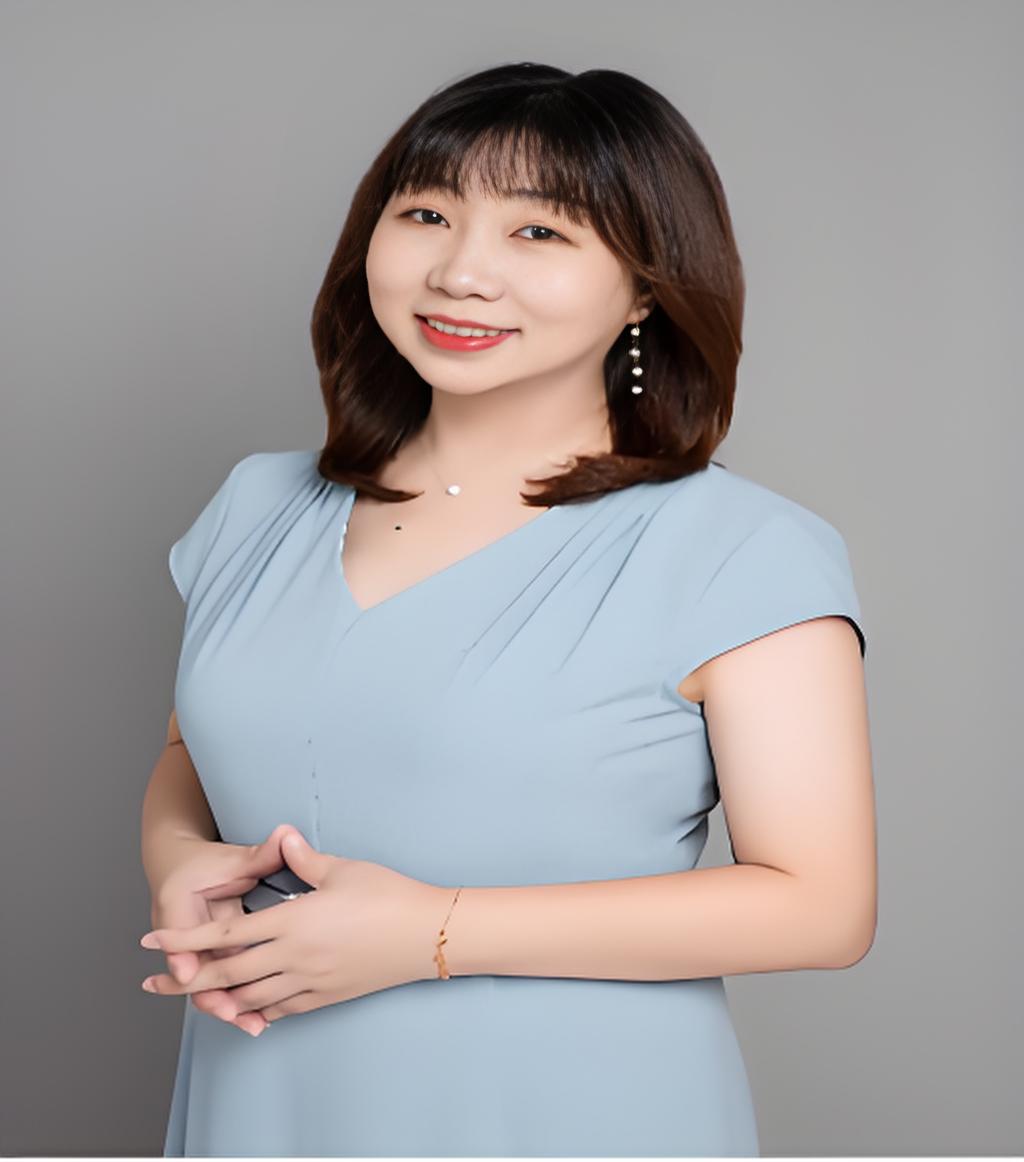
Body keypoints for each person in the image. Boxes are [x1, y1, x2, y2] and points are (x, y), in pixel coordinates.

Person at [139, 61, 875, 1158]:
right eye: (426, 215)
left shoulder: (740, 550)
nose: (461, 273)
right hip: (262, 1096)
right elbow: (191, 756)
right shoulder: (259, 504)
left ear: (645, 288)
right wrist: (174, 860)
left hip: (567, 1111)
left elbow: (821, 906)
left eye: (539, 232)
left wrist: (433, 934)